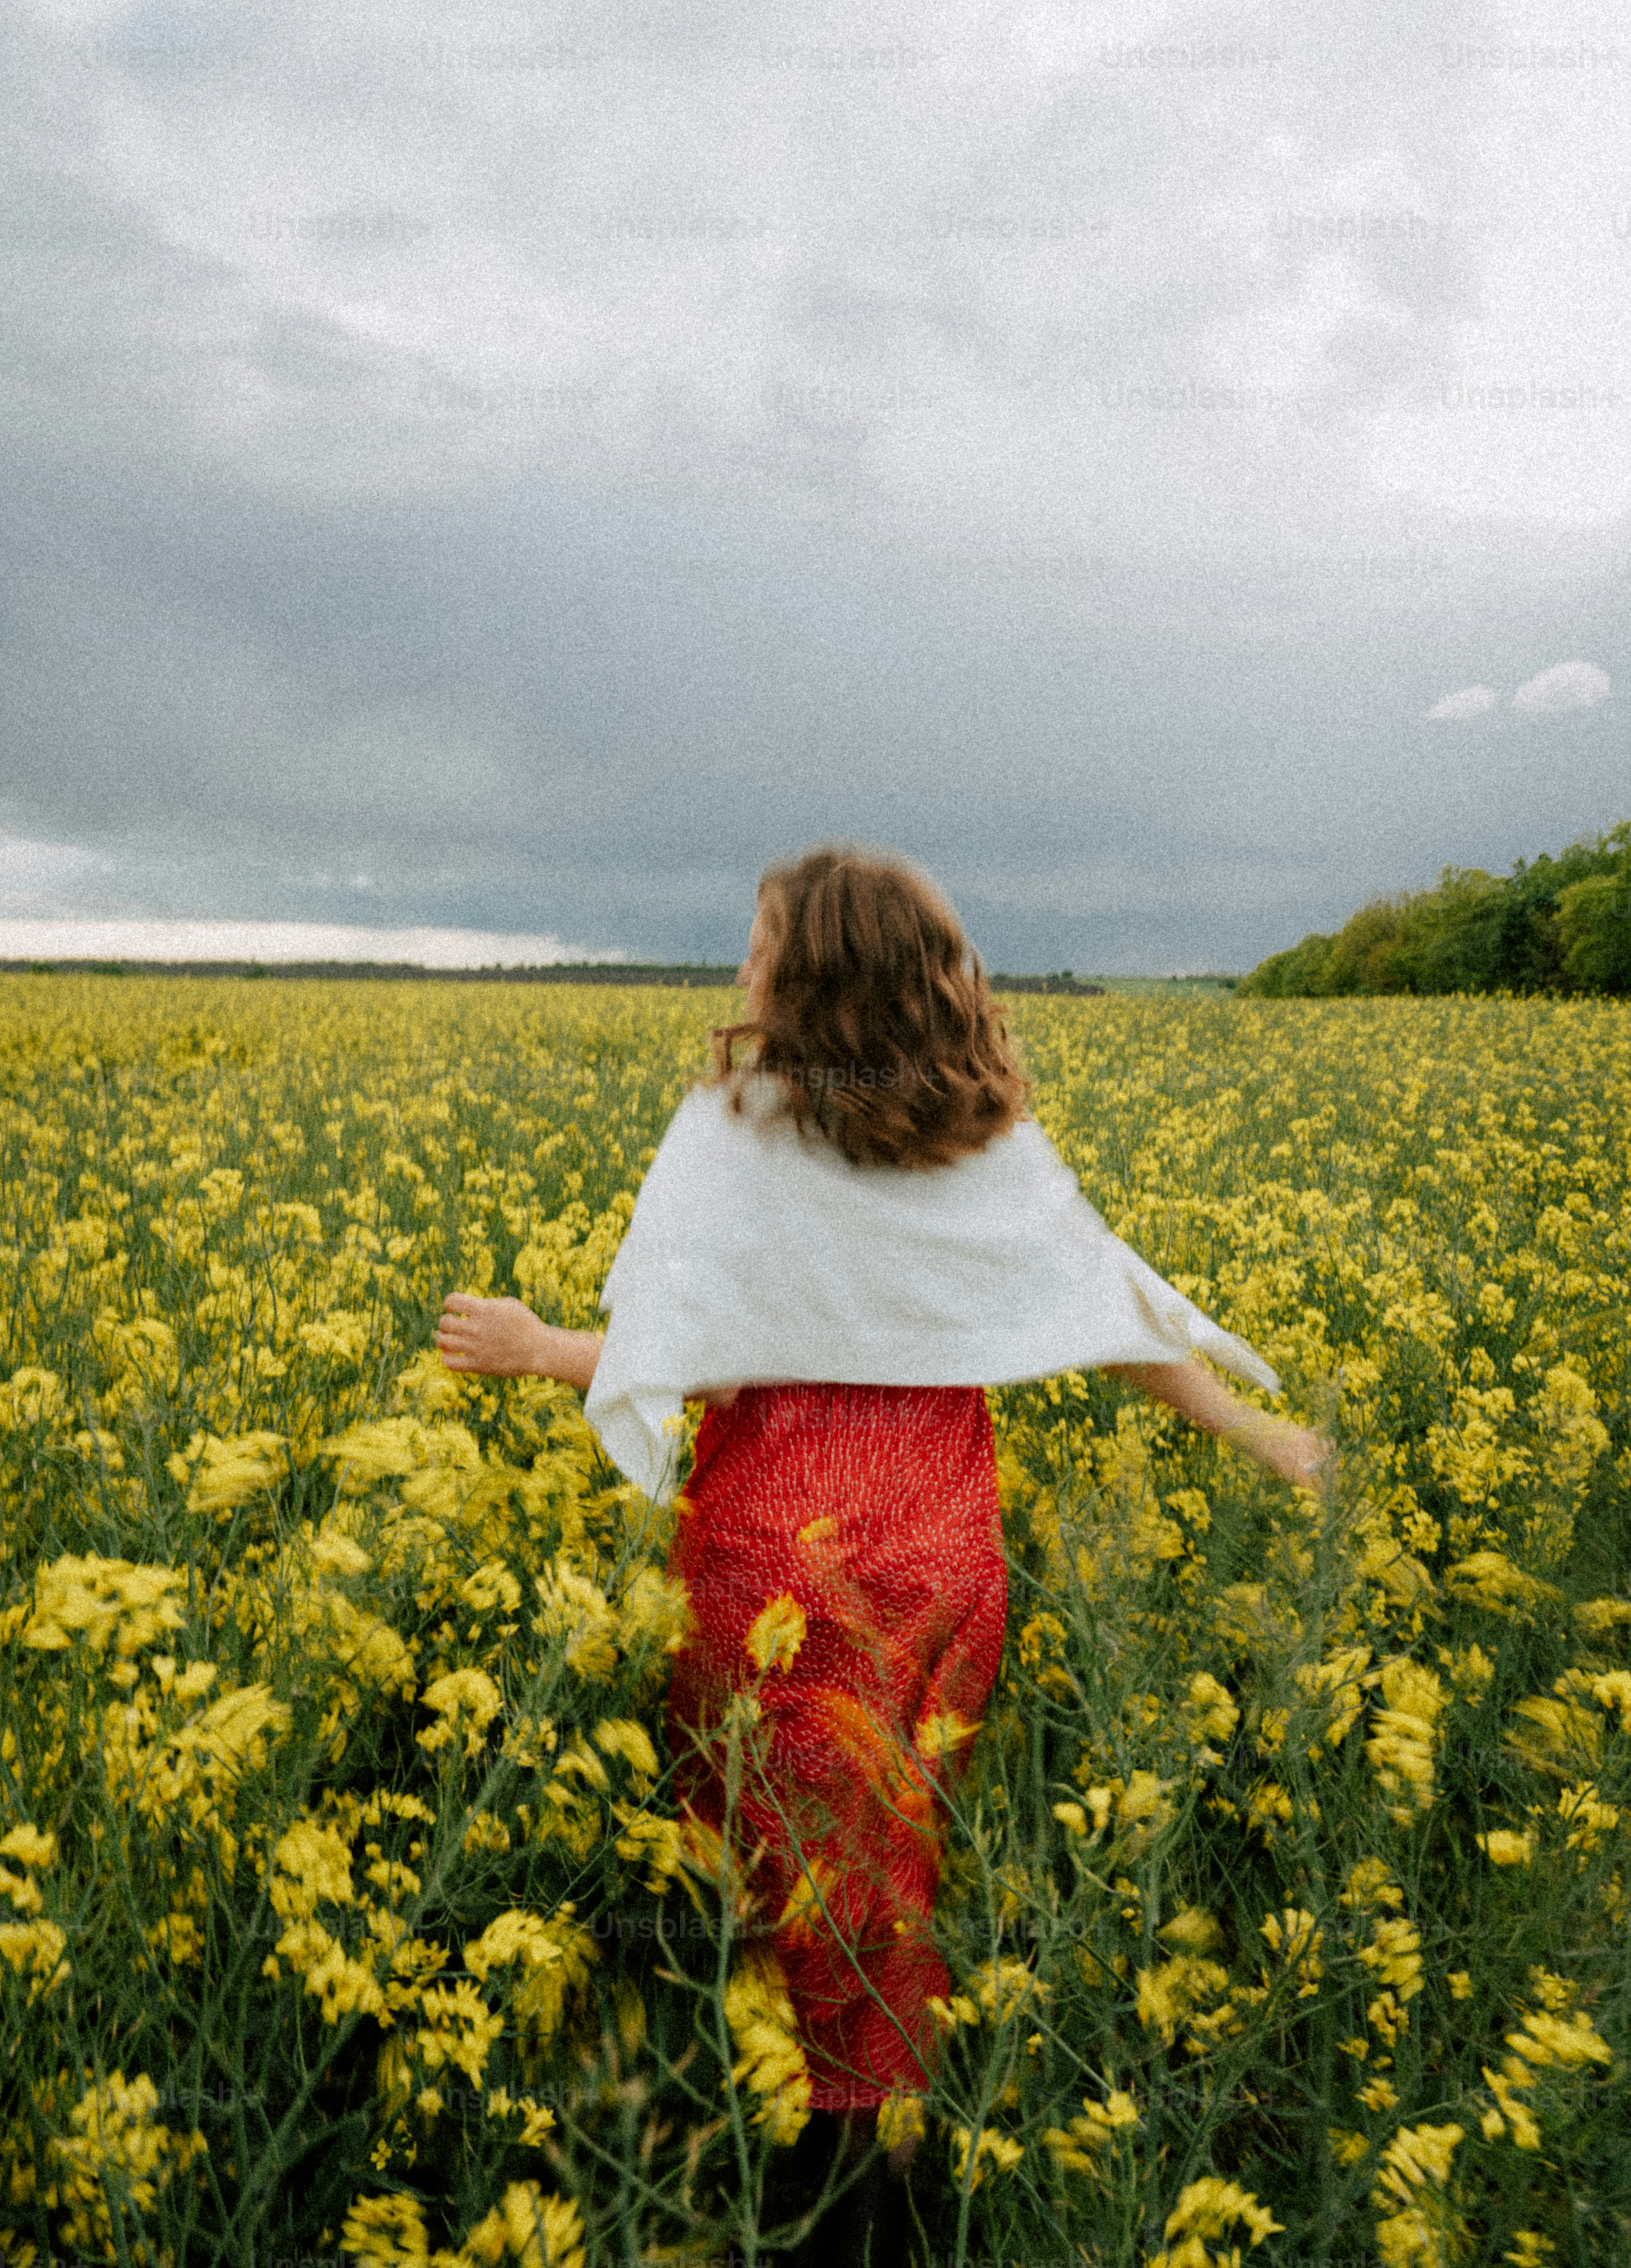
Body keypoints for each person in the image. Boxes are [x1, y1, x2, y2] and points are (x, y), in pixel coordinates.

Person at [436, 843, 1332, 2261]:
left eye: (760, 947)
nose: (739, 972)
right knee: (883, 1858)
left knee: (769, 1863)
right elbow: (1106, 1310)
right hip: (937, 1561)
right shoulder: (979, 1131)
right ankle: (871, 2156)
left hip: (775, 1561)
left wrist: (539, 1350)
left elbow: (701, 1367)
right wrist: (1258, 1435)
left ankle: (790, 2169)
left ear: (816, 974)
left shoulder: (736, 1127)